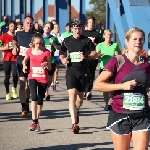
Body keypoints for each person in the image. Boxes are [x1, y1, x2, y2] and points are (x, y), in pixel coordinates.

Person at [93, 27, 150, 150]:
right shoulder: (118, 61)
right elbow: (97, 85)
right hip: (120, 114)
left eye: (141, 39)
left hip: (142, 115)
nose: (138, 42)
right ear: (127, 41)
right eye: (134, 39)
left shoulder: (147, 64)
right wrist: (122, 86)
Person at [59, 20, 98, 134]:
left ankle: (76, 111)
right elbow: (61, 53)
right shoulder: (67, 41)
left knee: (80, 99)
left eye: (79, 29)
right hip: (71, 71)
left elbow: (95, 54)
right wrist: (63, 60)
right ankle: (74, 123)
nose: (77, 31)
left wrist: (86, 56)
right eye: (75, 29)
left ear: (82, 29)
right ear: (72, 29)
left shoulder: (86, 41)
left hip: (83, 72)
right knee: (72, 95)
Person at [22, 33, 51, 131]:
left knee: (40, 100)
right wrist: (24, 66)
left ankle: (36, 120)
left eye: (40, 43)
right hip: (32, 76)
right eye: (37, 43)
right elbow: (24, 60)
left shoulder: (46, 52)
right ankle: (34, 121)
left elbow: (50, 67)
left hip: (43, 77)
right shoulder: (30, 51)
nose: (39, 45)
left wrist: (46, 64)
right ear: (33, 43)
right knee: (33, 97)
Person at [12, 15, 35, 117]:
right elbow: (14, 40)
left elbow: (41, 45)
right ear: (24, 24)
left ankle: (26, 102)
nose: (29, 25)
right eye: (27, 23)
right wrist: (15, 46)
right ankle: (23, 107)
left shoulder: (35, 35)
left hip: (32, 62)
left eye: (31, 23)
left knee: (28, 86)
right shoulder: (19, 34)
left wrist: (33, 47)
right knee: (22, 84)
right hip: (21, 62)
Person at [96, 29, 120, 111]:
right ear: (104, 36)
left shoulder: (115, 45)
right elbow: (95, 56)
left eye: (110, 35)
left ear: (112, 36)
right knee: (105, 87)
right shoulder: (100, 45)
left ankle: (113, 102)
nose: (108, 36)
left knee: (113, 87)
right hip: (104, 68)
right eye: (107, 35)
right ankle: (106, 104)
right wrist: (100, 54)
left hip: (114, 68)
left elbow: (120, 55)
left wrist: (117, 54)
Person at [82, 16, 102, 100]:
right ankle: (84, 89)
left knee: (91, 73)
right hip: (84, 56)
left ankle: (88, 90)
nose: (91, 24)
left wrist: (96, 45)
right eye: (89, 22)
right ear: (87, 23)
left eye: (92, 22)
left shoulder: (97, 34)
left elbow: (101, 45)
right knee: (84, 74)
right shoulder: (83, 33)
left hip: (93, 57)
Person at [42, 22, 61, 100]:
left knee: (49, 79)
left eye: (49, 27)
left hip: (51, 60)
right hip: (42, 60)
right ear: (43, 27)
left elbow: (59, 48)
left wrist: (53, 44)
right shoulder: (40, 38)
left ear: (51, 29)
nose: (47, 28)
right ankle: (46, 92)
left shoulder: (53, 38)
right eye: (46, 26)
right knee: (43, 77)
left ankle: (46, 88)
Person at [0, 21, 18, 100]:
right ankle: (7, 92)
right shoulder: (3, 36)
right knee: (7, 76)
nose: (13, 28)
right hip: (6, 59)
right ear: (8, 27)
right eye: (11, 26)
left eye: (14, 26)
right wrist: (5, 48)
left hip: (15, 58)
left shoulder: (17, 36)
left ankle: (14, 88)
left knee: (15, 75)